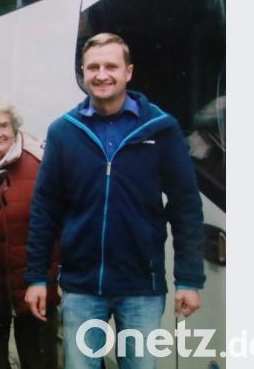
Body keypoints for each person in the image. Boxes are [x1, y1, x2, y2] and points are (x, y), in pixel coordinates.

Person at [24, 32, 205, 368]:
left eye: (111, 65)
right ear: (82, 73)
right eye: (93, 67)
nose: (102, 74)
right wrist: (36, 277)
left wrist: (189, 279)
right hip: (81, 289)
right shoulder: (64, 131)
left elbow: (185, 207)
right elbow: (45, 209)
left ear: (129, 72)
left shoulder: (160, 129)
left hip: (142, 288)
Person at [0, 93, 59, 369]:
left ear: (14, 128)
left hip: (34, 285)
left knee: (40, 361)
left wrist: (55, 271)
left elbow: (57, 218)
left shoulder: (38, 161)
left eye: (3, 125)